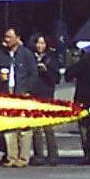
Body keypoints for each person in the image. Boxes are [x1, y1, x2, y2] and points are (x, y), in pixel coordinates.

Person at [0, 26, 38, 167]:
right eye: (5, 37)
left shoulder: (26, 54)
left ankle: (23, 158)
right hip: (7, 91)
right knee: (9, 127)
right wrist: (0, 77)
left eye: (9, 37)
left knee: (24, 127)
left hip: (22, 91)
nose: (6, 40)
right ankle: (11, 157)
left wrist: (27, 90)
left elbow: (33, 74)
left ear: (17, 38)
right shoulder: (1, 54)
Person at [65, 41, 90, 165]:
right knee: (88, 129)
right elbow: (68, 76)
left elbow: (69, 74)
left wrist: (79, 61)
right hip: (86, 99)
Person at [30, 34, 61, 166]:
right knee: (36, 128)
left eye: (42, 43)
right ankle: (39, 155)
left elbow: (56, 79)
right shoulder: (31, 57)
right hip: (34, 94)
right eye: (38, 43)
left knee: (48, 127)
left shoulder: (51, 58)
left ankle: (53, 155)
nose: (40, 46)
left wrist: (46, 70)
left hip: (47, 94)